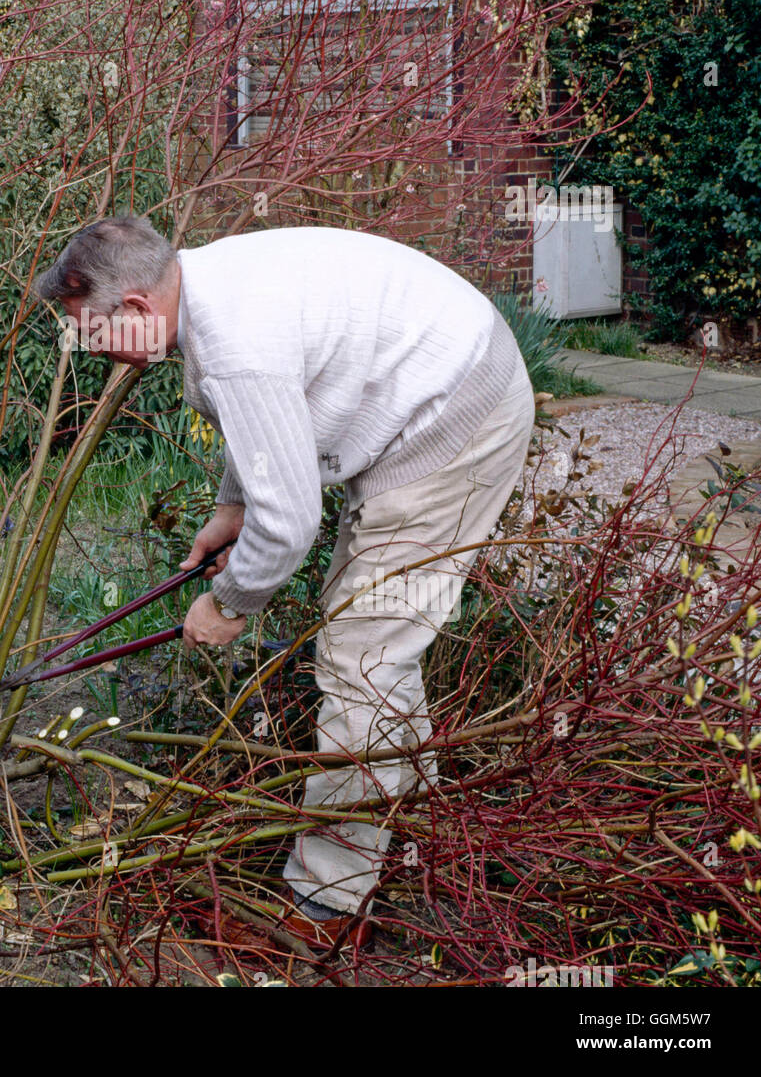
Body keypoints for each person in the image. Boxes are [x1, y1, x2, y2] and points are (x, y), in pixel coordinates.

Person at [33, 215, 535, 952]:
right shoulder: (204, 285)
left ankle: (325, 906)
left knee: (361, 657)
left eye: (91, 332)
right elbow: (273, 420)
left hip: (453, 422)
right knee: (373, 646)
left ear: (138, 310)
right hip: (444, 390)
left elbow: (292, 519)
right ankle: (423, 831)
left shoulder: (236, 342)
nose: (90, 349)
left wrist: (230, 602)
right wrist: (233, 507)